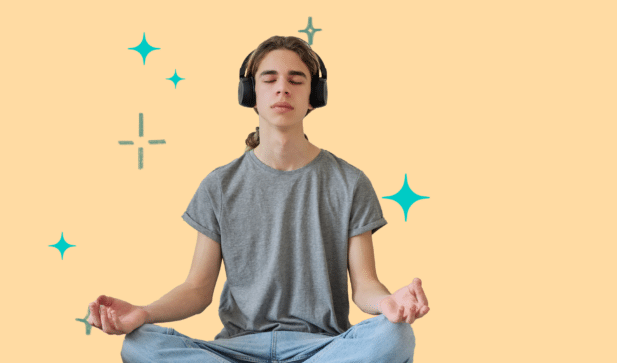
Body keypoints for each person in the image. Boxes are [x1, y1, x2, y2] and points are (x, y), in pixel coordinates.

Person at [88, 35, 430, 362]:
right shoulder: (219, 185)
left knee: (395, 336)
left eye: (297, 80)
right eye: (269, 79)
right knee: (141, 344)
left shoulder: (350, 182)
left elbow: (365, 284)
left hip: (322, 349)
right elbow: (196, 289)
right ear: (250, 93)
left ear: (314, 96)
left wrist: (388, 302)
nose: (282, 87)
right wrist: (143, 313)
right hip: (237, 350)